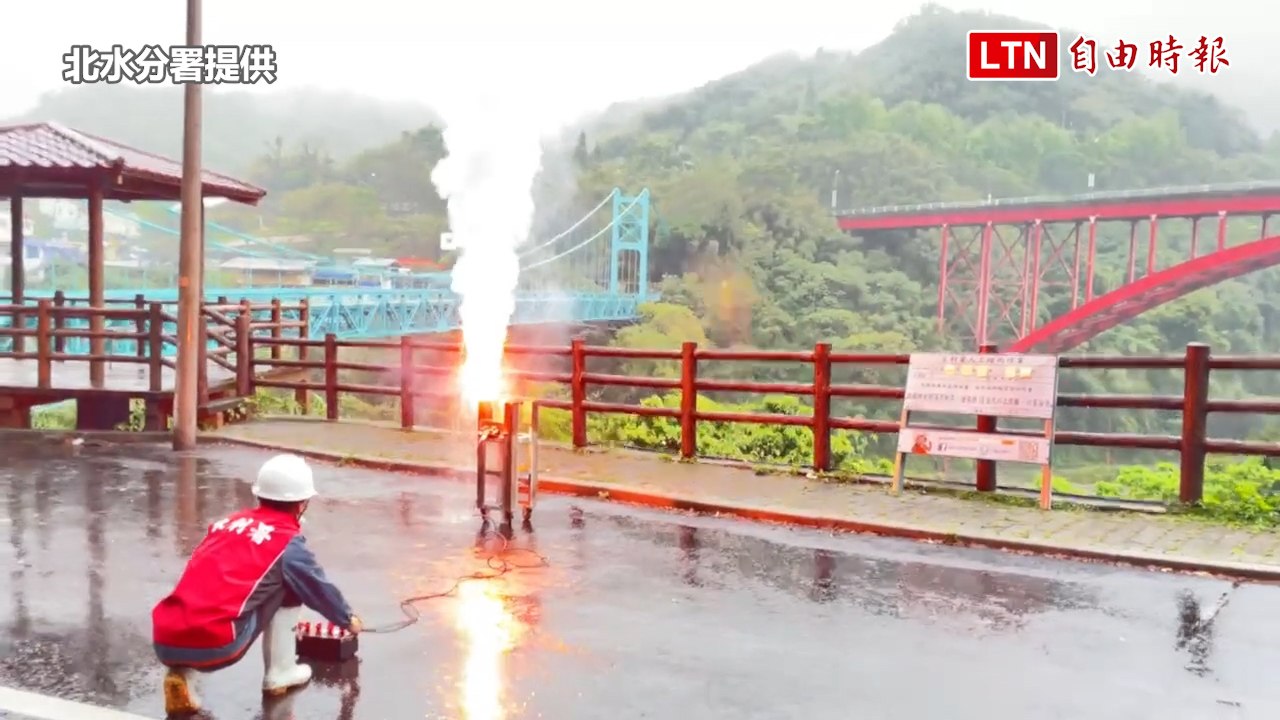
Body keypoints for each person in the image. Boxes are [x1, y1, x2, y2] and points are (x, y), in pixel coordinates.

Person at [151, 453, 363, 715]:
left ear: (259, 494)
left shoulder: (227, 524)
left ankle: (181, 673)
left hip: (165, 638)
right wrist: (347, 619)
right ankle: (281, 672)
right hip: (216, 645)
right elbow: (317, 588)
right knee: (290, 581)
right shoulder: (287, 542)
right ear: (303, 502)